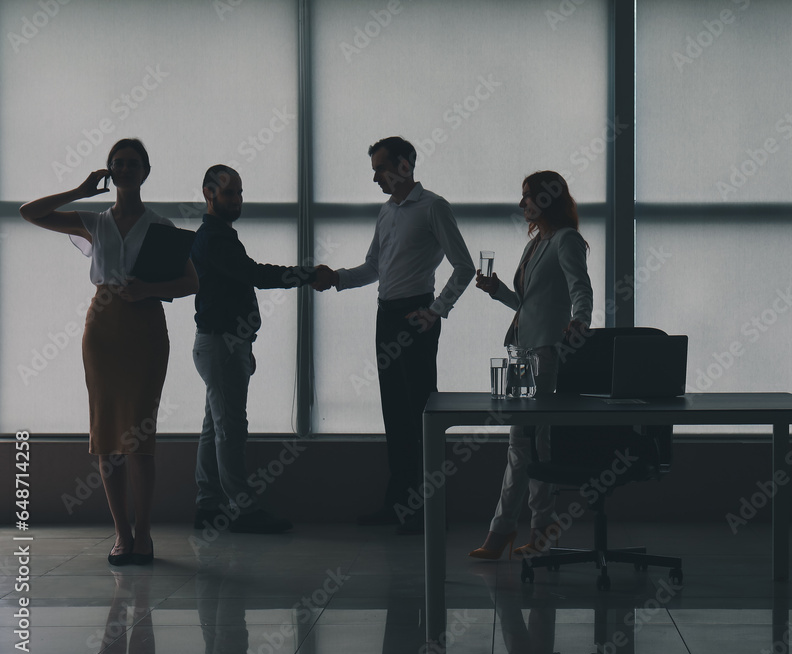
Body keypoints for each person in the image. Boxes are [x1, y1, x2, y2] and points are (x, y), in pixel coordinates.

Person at [20, 138, 199, 565]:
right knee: (106, 435)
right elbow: (30, 213)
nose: (124, 169)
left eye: (132, 163)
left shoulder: (160, 226)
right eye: (117, 163)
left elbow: (191, 282)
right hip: (102, 327)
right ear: (109, 171)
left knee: (139, 435)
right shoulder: (93, 221)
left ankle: (144, 534)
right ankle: (121, 534)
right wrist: (81, 190)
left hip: (145, 327)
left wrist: (148, 290)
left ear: (145, 170)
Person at [332, 136, 475, 534]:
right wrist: (337, 279)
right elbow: (373, 267)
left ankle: (424, 510)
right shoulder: (386, 212)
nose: (375, 176)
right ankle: (398, 507)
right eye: (375, 169)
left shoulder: (434, 208)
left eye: (381, 167)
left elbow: (464, 267)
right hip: (387, 316)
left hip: (416, 316)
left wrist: (435, 310)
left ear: (406, 164)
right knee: (395, 414)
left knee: (417, 417)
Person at [191, 165, 335, 534]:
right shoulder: (215, 239)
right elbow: (256, 275)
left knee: (216, 427)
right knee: (230, 428)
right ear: (209, 193)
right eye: (229, 194)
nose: (237, 200)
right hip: (221, 345)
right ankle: (241, 509)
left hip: (224, 343)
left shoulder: (218, 235)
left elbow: (241, 284)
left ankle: (208, 505)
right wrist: (307, 274)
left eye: (240, 192)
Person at [469, 170, 593, 559]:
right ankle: (538, 526)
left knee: (525, 445)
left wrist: (581, 321)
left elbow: (580, 288)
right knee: (530, 444)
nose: (521, 204)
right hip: (523, 353)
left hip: (546, 353)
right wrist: (498, 291)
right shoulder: (537, 243)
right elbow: (528, 305)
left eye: (527, 197)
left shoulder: (565, 240)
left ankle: (507, 531)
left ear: (546, 199)